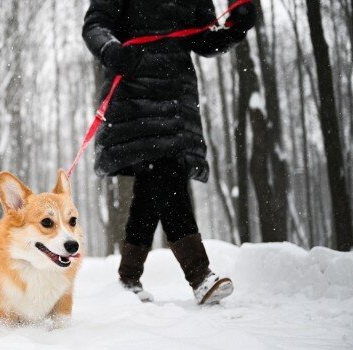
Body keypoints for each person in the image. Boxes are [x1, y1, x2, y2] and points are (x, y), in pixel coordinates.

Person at [82, 0, 256, 304]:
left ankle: (127, 279)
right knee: (165, 174)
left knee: (151, 189)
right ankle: (200, 275)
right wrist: (110, 49)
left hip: (177, 99)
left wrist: (236, 27)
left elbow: (202, 38)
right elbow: (95, 25)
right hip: (134, 96)